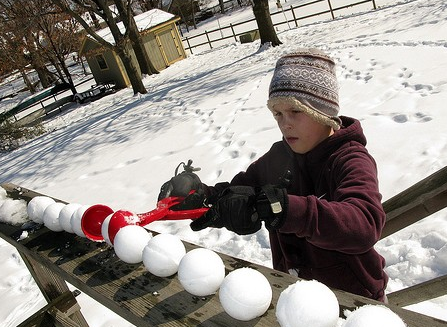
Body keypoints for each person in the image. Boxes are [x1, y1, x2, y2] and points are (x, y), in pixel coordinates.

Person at [159, 48, 388, 302]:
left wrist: (286, 209)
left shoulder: (350, 159)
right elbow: (240, 192)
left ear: (323, 113)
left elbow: (364, 225)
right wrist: (201, 195)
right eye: (277, 114)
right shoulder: (279, 157)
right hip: (295, 295)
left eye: (296, 111)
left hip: (355, 303)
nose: (284, 123)